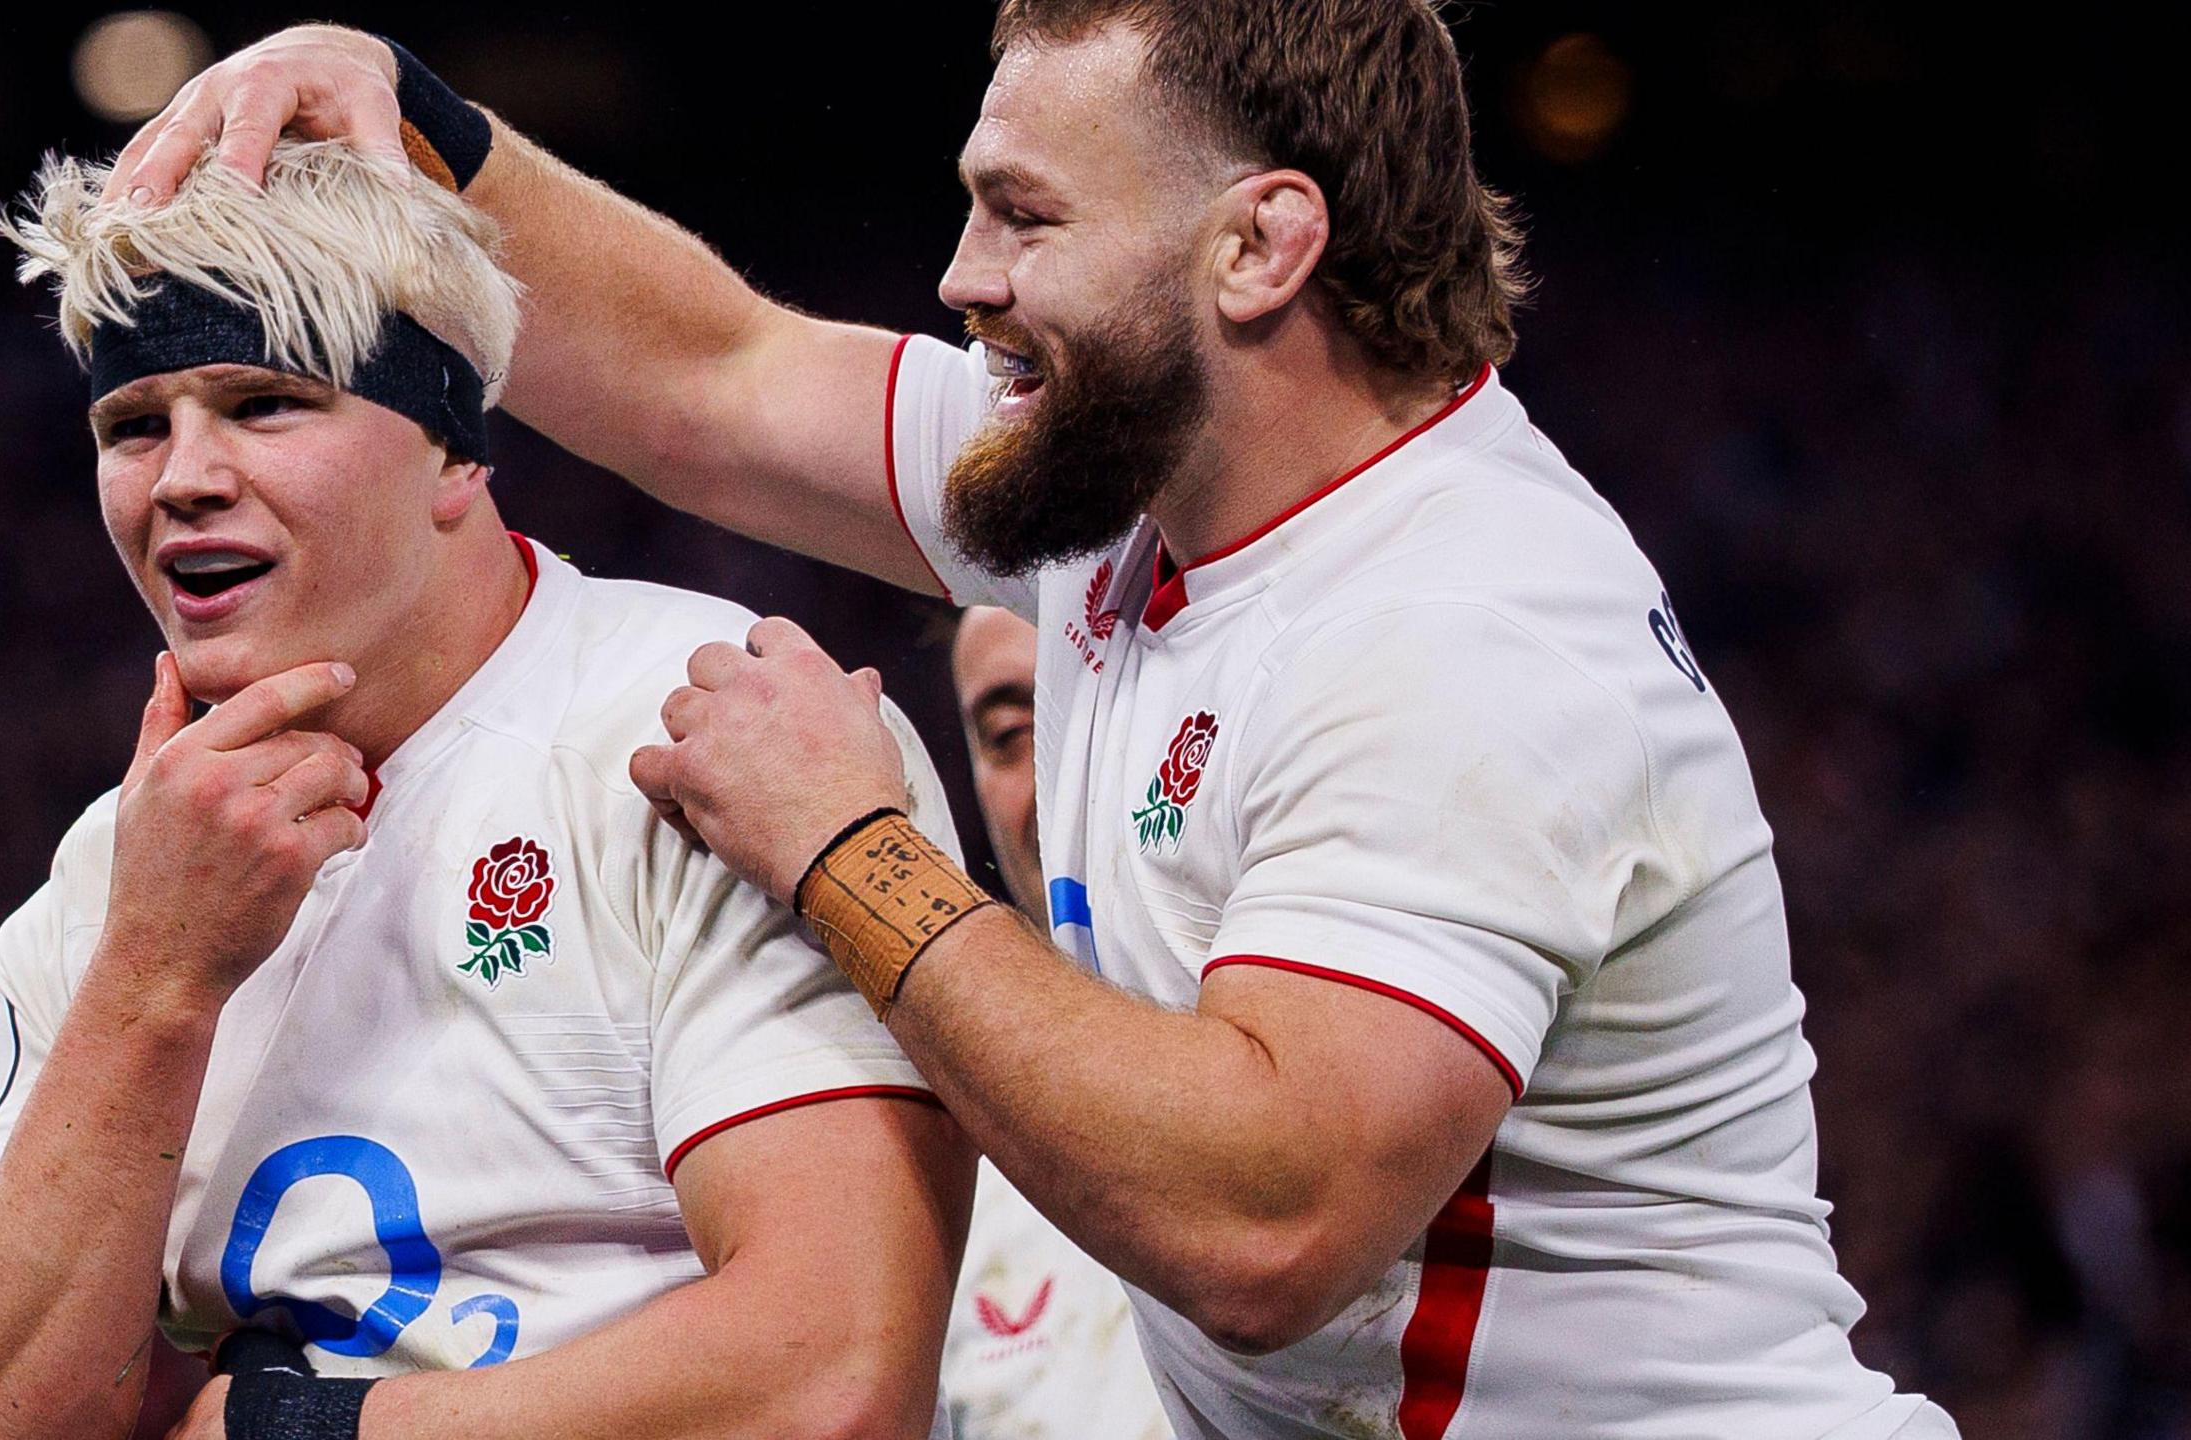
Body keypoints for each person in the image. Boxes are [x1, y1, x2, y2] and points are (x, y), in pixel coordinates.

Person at [115, 6, 1961, 1436]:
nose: (962, 276)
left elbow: (1270, 1228)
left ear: (1261, 248)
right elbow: (715, 375)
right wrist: (420, 122)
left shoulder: (1464, 625)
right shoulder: (1127, 491)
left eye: (1026, 215)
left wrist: (855, 859)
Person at [0, 136, 971, 1440]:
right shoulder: (118, 881)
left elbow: (829, 1380)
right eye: (132, 425)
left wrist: (301, 1431)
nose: (184, 478)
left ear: (455, 454)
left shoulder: (715, 733)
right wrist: (156, 984)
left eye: (265, 403)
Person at [941, 605, 1168, 1440]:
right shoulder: (932, 1160)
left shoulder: (1405, 1040)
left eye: (1109, 693)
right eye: (1011, 731)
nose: (1064, 774)